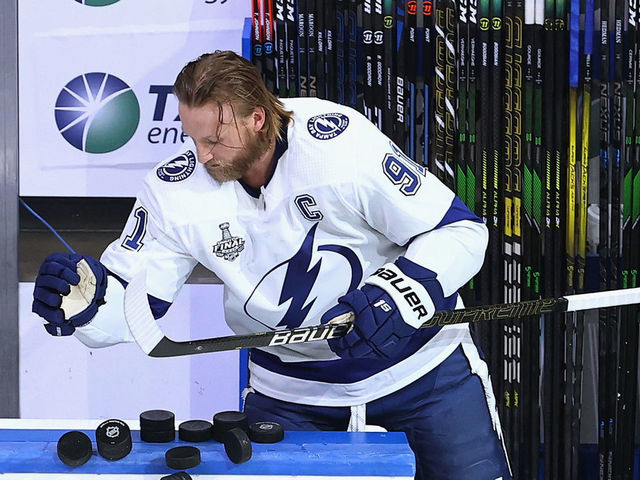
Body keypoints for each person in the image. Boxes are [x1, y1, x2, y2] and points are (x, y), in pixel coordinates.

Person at [32, 50, 511, 479]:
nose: (203, 155)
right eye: (193, 138)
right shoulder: (175, 191)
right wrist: (88, 305)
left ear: (258, 118)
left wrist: (400, 290)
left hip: (422, 377)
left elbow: (461, 231)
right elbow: (133, 308)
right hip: (292, 398)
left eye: (216, 139)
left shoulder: (337, 146)